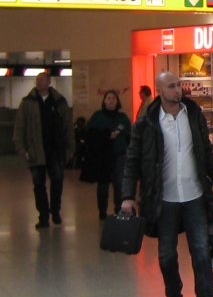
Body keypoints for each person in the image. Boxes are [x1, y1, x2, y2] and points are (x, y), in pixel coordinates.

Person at [121, 72, 213, 297]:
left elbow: (206, 154)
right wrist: (128, 196)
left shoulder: (193, 115)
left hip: (194, 195)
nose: (177, 90)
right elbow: (132, 162)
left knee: (201, 249)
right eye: (171, 86)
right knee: (167, 254)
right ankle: (173, 294)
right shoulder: (146, 124)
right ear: (159, 91)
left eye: (179, 85)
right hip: (164, 199)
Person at [12, 72, 73, 230]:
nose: (39, 82)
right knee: (38, 184)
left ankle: (55, 210)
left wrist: (71, 147)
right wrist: (20, 146)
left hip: (55, 149)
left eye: (42, 80)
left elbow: (68, 126)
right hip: (35, 150)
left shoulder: (59, 102)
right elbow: (20, 126)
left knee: (57, 179)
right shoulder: (27, 103)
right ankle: (43, 216)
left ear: (49, 82)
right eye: (37, 80)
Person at [85, 91, 132, 220]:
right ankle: (102, 211)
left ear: (117, 101)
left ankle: (118, 209)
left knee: (119, 183)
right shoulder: (97, 116)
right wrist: (106, 135)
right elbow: (89, 133)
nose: (111, 100)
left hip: (119, 153)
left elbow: (129, 134)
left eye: (113, 98)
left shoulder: (122, 117)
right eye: (108, 98)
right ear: (104, 100)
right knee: (103, 184)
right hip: (103, 154)